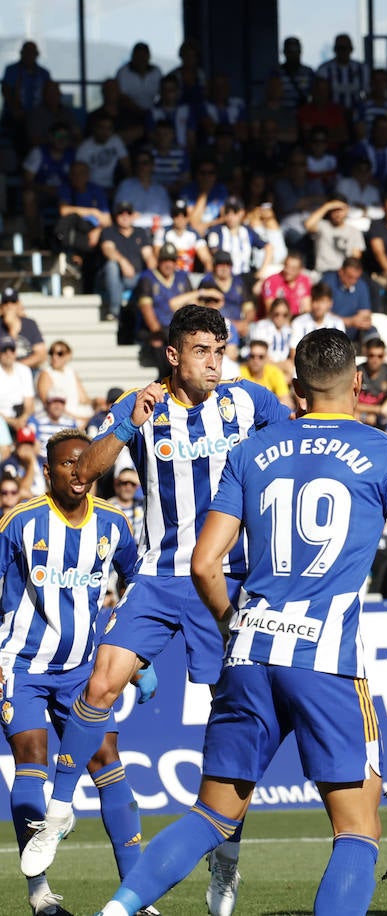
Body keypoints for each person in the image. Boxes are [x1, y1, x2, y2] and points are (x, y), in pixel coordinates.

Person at [88, 328, 387, 916]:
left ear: (298, 390)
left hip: (250, 649)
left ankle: (117, 910)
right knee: (358, 827)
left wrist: (237, 625)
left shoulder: (251, 452)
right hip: (325, 659)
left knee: (211, 815)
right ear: (359, 382)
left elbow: (206, 564)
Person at [20, 306, 293, 914]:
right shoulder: (139, 408)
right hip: (160, 574)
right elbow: (84, 473)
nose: (214, 362)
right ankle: (60, 812)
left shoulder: (248, 401)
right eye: (202, 350)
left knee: (231, 730)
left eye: (220, 350)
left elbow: (299, 441)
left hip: (229, 580)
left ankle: (226, 864)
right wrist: (125, 425)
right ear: (174, 355)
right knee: (101, 682)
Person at [0, 430, 154, 916]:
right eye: (66, 464)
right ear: (48, 472)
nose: (77, 471)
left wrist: (135, 656)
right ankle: (40, 894)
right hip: (21, 664)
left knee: (108, 763)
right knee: (31, 756)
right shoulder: (20, 523)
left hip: (82, 670)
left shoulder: (113, 523)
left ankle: (137, 895)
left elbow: (139, 585)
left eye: (84, 462)